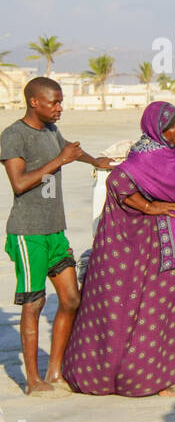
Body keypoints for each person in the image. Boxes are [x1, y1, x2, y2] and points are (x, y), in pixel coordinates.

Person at [62, 102, 175, 398]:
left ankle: (158, 379)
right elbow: (117, 180)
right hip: (147, 251)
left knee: (163, 315)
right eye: (171, 125)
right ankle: (140, 380)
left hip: (170, 251)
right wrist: (150, 206)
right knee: (134, 312)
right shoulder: (145, 158)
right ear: (155, 129)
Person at [1, 77, 112, 396]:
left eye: (61, 101)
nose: (60, 108)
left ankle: (55, 370)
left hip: (55, 230)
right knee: (34, 304)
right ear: (34, 102)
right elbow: (19, 183)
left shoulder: (51, 129)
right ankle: (33, 380)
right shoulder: (13, 135)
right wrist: (59, 162)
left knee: (72, 300)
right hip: (28, 233)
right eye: (54, 102)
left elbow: (70, 151)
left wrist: (95, 161)